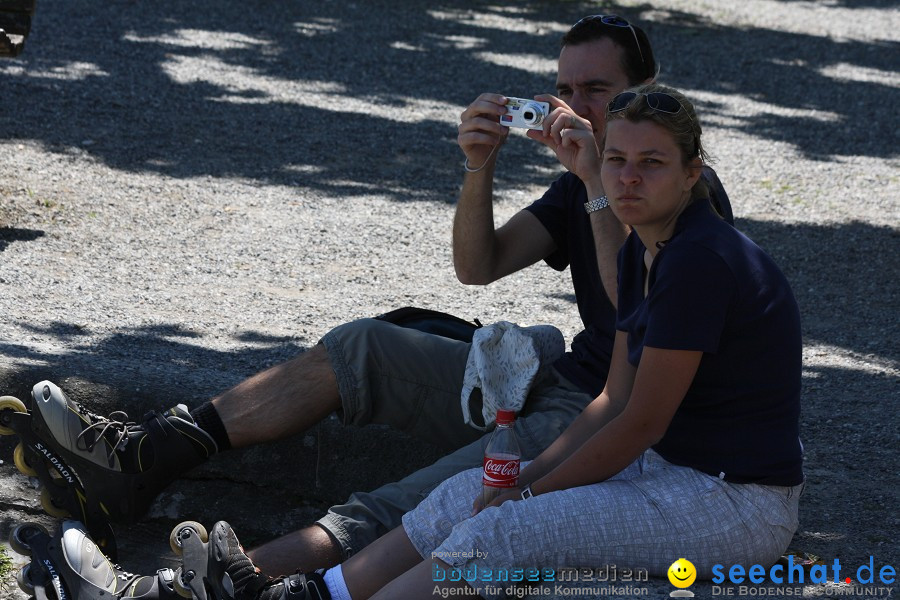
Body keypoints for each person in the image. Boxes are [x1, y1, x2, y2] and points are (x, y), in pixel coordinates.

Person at [17, 14, 733, 578]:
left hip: (611, 411)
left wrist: (597, 191)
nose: (573, 107)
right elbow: (477, 267)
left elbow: (630, 311)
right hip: (563, 379)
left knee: (405, 504)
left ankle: (205, 583)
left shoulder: (674, 190)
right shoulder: (579, 177)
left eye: (597, 91)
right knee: (365, 344)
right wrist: (477, 167)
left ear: (642, 93)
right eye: (564, 89)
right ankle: (147, 457)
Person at [172, 82, 802, 600]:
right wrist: (520, 477)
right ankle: (318, 592)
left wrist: (526, 492)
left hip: (733, 501)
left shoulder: (697, 261)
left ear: (693, 172)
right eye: (617, 160)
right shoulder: (645, 245)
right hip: (672, 467)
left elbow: (638, 422)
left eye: (651, 163)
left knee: (508, 533)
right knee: (462, 495)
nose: (628, 179)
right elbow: (610, 399)